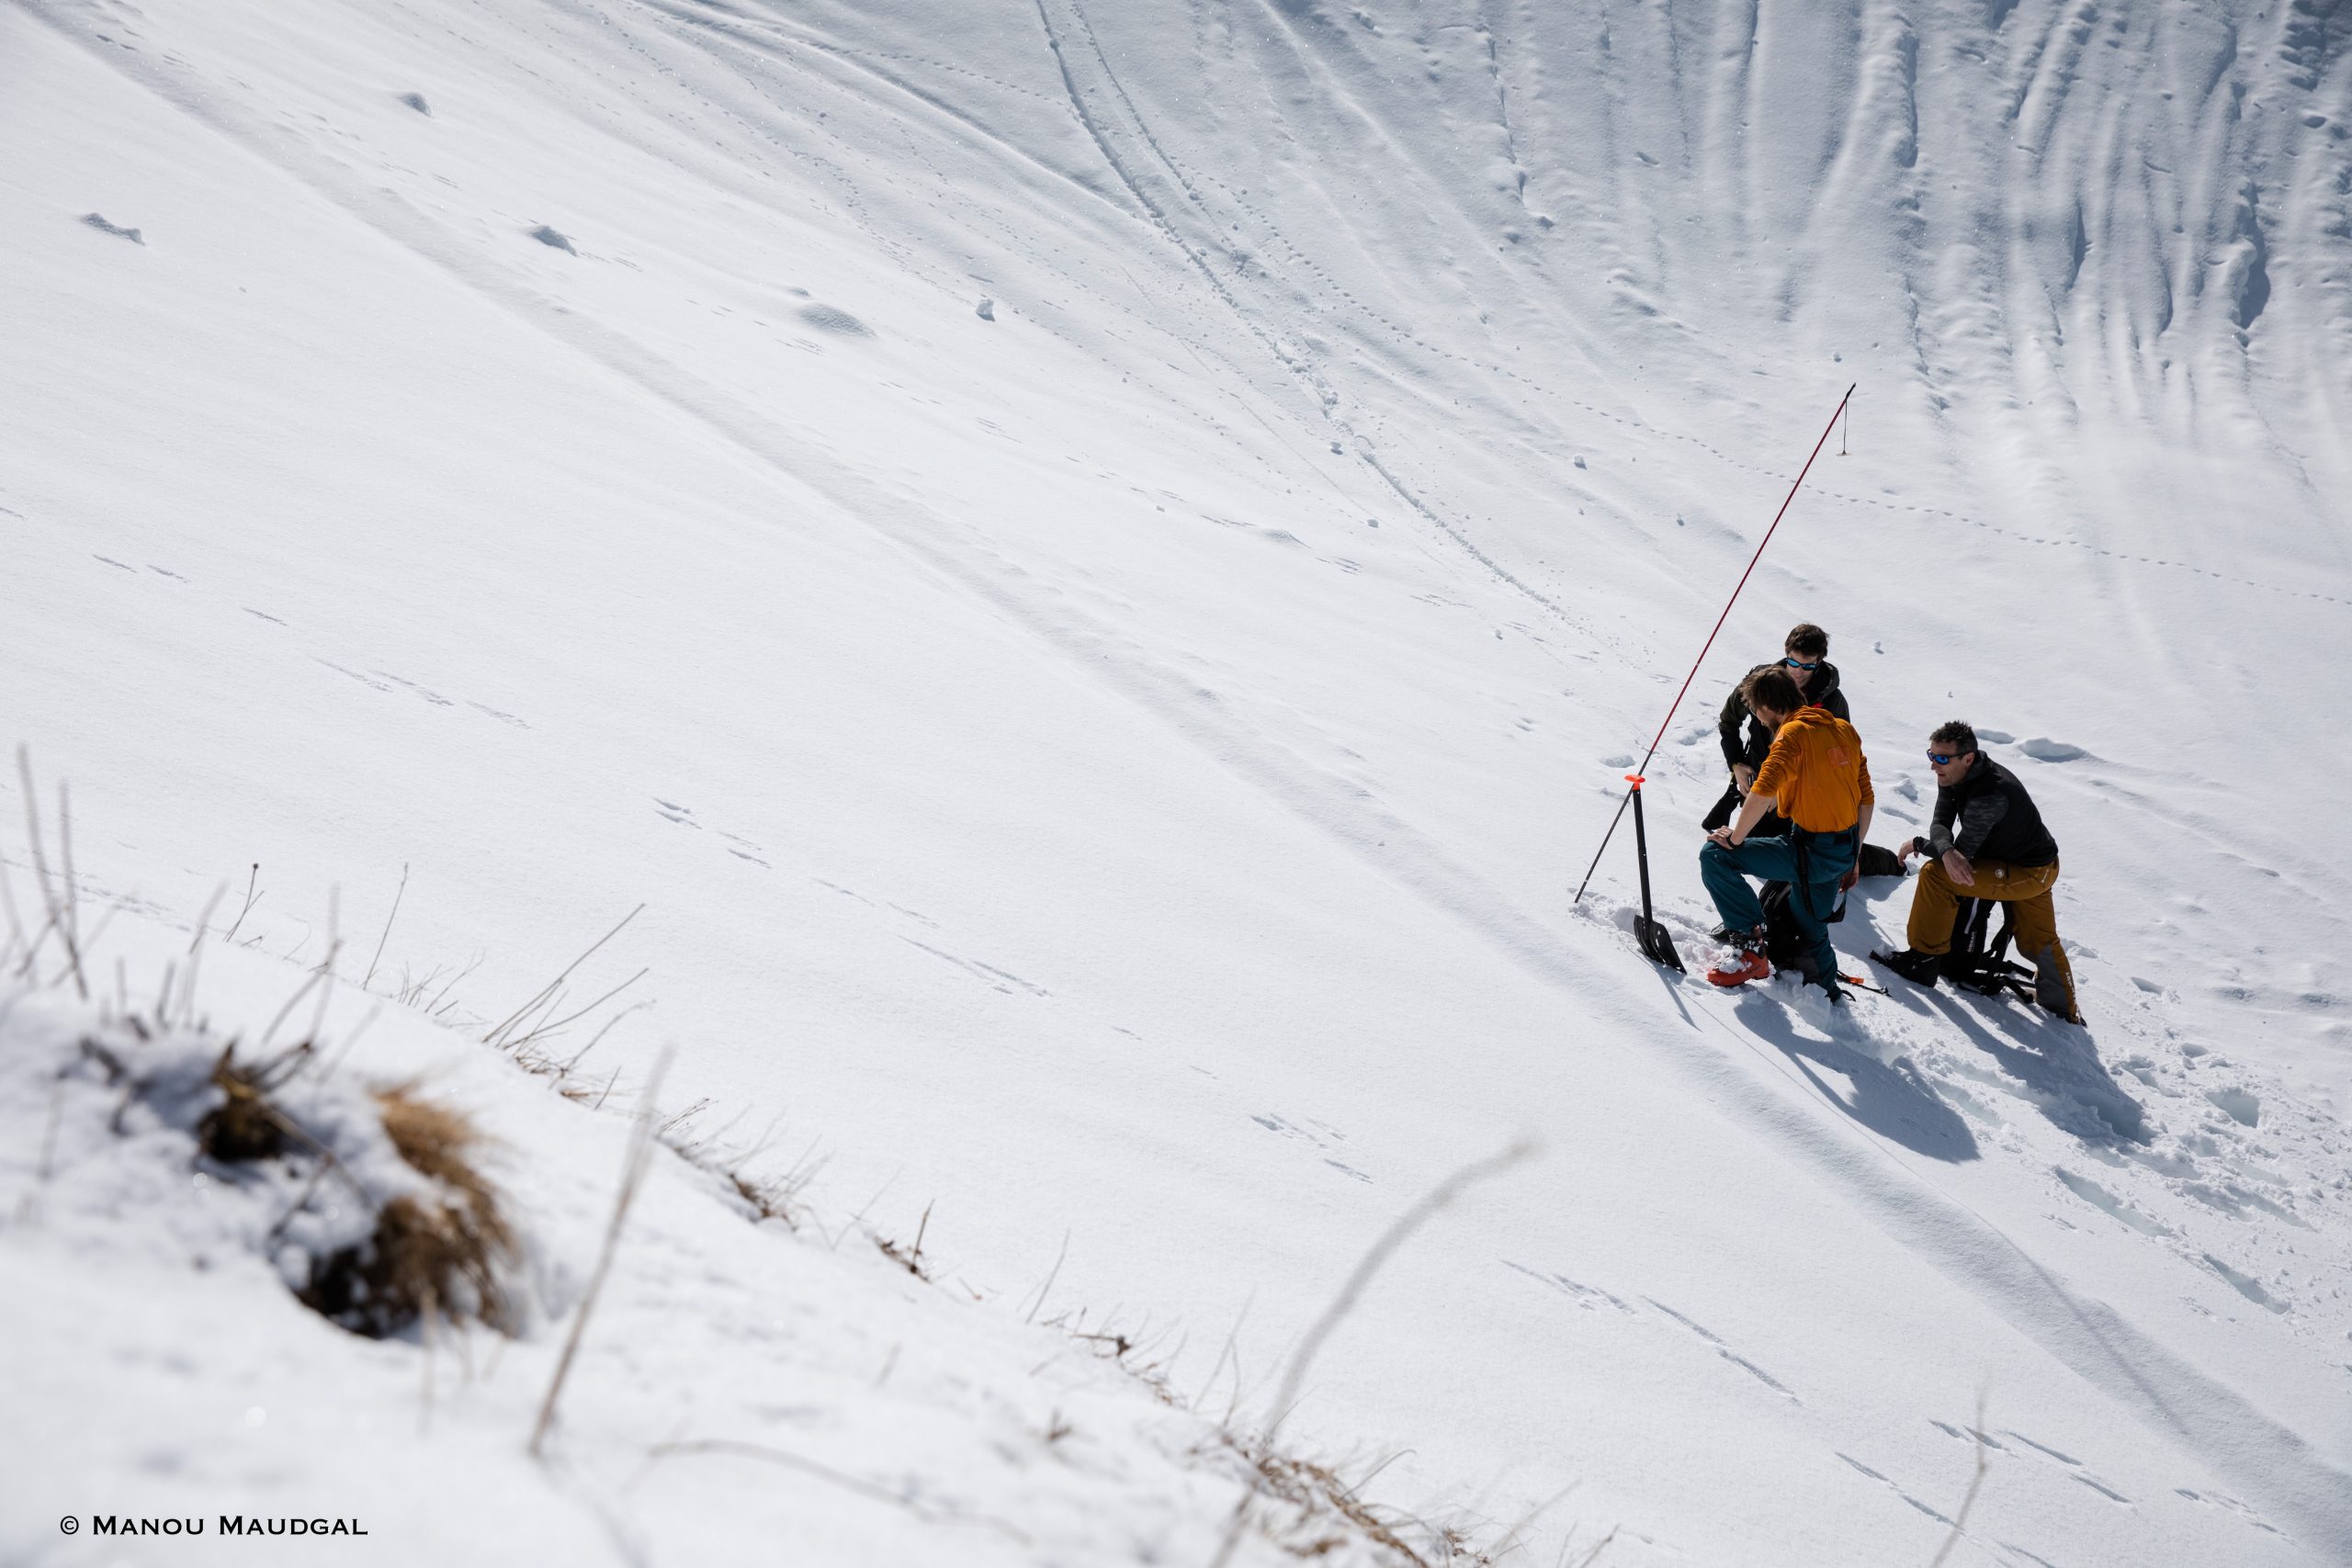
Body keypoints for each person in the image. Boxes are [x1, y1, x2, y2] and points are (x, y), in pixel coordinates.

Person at [1875, 723, 2081, 1023]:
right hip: (2031, 864)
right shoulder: (1955, 774)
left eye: (1942, 758)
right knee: (2036, 939)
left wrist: (1926, 847)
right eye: (1931, 755)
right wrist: (1939, 847)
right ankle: (2064, 1007)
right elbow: (1941, 822)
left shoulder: (1989, 795)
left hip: (2030, 871)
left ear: (1967, 758)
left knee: (1937, 875)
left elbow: (1962, 855)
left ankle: (1923, 960)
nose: (1934, 765)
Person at [1699, 667, 1873, 992]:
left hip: (1812, 851)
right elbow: (1865, 797)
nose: (1758, 719)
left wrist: (1734, 840)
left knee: (1715, 856)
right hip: (1841, 850)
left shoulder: (1792, 735)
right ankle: (1828, 993)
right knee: (1810, 922)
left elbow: (1763, 789)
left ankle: (1752, 952)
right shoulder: (1842, 729)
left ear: (1766, 706)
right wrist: (1855, 853)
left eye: (1755, 711)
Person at [1702, 623, 1848, 835]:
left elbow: (1839, 757)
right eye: (1793, 663)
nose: (1798, 672)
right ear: (1786, 653)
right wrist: (1736, 764)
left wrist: (1787, 791)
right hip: (1759, 784)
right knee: (1744, 847)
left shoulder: (1831, 701)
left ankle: (1888, 862)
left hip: (1801, 799)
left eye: (1807, 667)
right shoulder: (1760, 683)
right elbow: (1729, 723)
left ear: (1819, 662)